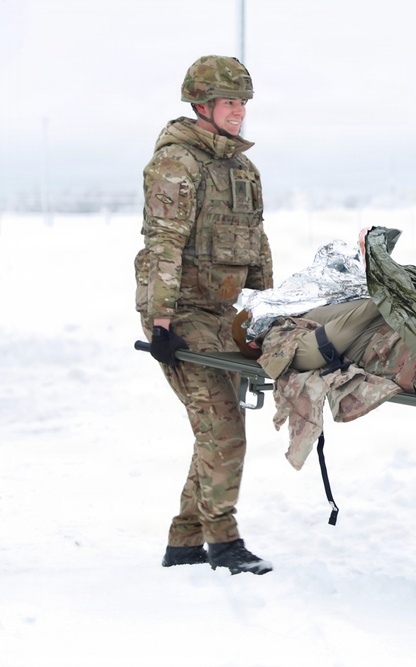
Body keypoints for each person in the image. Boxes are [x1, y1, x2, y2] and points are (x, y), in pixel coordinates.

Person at [134, 55, 273, 575]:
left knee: (215, 429)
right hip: (182, 313)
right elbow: (163, 243)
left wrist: (266, 310)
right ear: (201, 104)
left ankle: (184, 543)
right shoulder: (177, 163)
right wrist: (160, 321)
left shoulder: (243, 168)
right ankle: (225, 541)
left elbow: (257, 243)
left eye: (241, 102)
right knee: (223, 428)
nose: (238, 111)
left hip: (225, 314)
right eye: (228, 102)